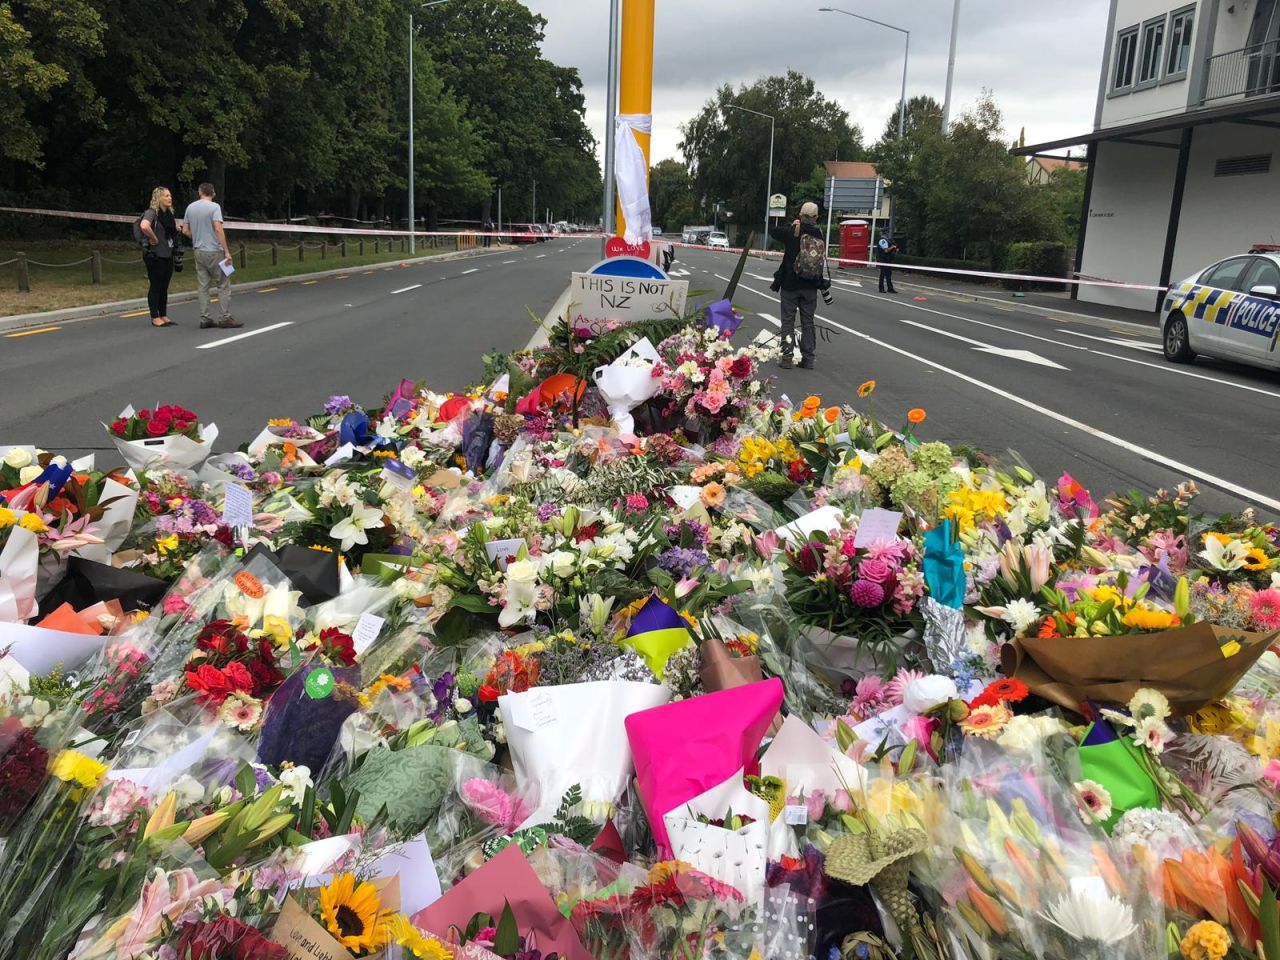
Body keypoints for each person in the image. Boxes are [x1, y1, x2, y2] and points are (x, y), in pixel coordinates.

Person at [769, 201, 828, 370]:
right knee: (808, 322)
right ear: (816, 217)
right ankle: (808, 359)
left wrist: (792, 224)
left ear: (801, 215)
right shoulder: (819, 233)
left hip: (790, 284)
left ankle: (787, 358)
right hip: (811, 286)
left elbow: (773, 231)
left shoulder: (793, 231)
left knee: (788, 321)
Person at [181, 183, 241, 329]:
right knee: (223, 284)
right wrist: (226, 250)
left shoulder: (190, 207)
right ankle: (225, 317)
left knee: (203, 286)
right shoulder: (215, 208)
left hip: (198, 250)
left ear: (200, 193)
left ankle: (205, 317)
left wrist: (196, 238)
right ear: (213, 194)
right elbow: (218, 228)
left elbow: (185, 230)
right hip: (215, 250)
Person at [138, 187, 179, 328]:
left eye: (170, 195)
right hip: (155, 255)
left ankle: (163, 314)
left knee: (164, 286)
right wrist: (153, 237)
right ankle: (155, 316)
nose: (170, 198)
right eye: (166, 196)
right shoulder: (152, 213)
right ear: (159, 198)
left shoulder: (168, 214)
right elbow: (144, 226)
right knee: (155, 285)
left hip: (168, 254)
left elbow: (172, 230)